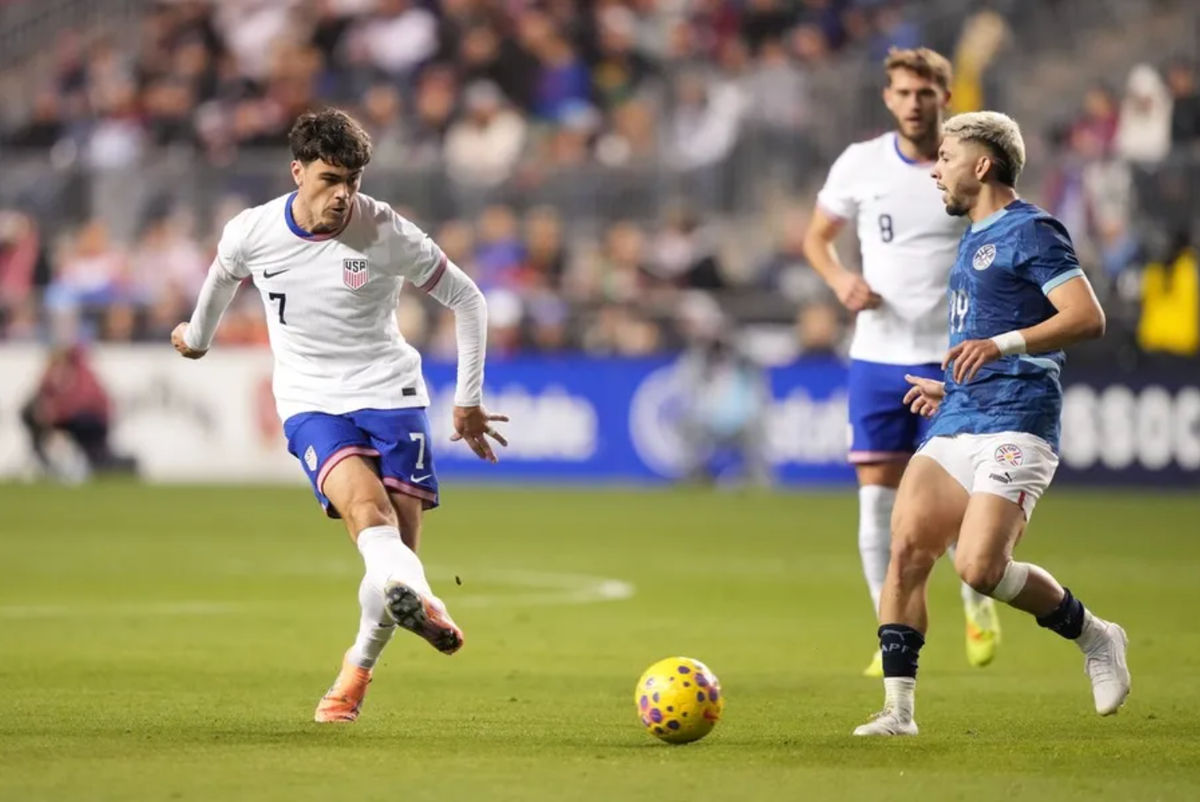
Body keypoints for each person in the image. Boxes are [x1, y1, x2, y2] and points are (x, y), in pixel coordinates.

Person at [171, 109, 508, 723]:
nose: (342, 194)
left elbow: (468, 298)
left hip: (391, 393)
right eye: (329, 178)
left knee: (393, 561)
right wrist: (197, 337)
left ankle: (357, 669)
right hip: (310, 400)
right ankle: (423, 605)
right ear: (297, 172)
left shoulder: (386, 231)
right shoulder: (252, 231)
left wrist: (468, 399)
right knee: (367, 515)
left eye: (352, 180)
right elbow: (222, 278)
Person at [853, 111, 1130, 736]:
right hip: (959, 414)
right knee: (906, 551)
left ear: (983, 165)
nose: (935, 169)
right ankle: (899, 712)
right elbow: (976, 341)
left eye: (946, 156)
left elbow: (1087, 317)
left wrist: (1002, 346)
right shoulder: (971, 240)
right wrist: (948, 382)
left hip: (1019, 418)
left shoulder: (1031, 229)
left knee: (979, 569)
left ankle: (1096, 636)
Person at [802, 47, 1000, 677]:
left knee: (964, 502)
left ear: (946, 96)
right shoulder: (861, 164)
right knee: (874, 511)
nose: (914, 104)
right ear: (888, 99)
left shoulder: (967, 164)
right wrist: (839, 281)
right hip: (876, 360)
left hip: (951, 360)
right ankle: (888, 630)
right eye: (903, 93)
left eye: (926, 93)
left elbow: (1002, 231)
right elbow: (816, 237)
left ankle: (976, 597)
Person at [20, 345, 137, 479]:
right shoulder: (50, 378)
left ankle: (98, 466)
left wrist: (55, 411)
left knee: (96, 453)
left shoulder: (83, 375)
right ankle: (47, 464)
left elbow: (85, 401)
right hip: (66, 421)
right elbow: (39, 399)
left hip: (91, 421)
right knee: (29, 416)